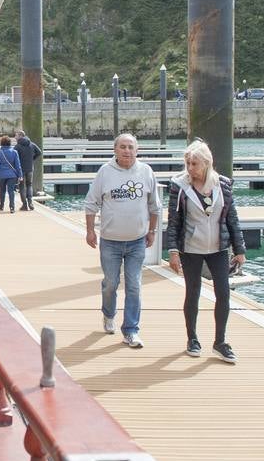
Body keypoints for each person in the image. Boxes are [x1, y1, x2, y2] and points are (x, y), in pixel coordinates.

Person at [166, 139, 246, 364]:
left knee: (223, 293)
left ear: (207, 163)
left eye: (195, 164)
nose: (191, 168)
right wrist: (173, 251)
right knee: (193, 292)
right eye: (188, 163)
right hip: (191, 248)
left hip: (218, 248)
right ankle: (192, 338)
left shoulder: (223, 184)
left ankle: (220, 342)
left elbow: (232, 218)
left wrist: (239, 250)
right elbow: (173, 221)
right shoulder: (179, 186)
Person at [83, 133, 160, 348]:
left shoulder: (146, 172)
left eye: (131, 147)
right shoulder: (105, 172)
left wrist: (152, 230)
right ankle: (108, 314)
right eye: (123, 147)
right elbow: (91, 203)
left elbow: (155, 206)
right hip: (110, 241)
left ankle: (131, 330)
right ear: (115, 150)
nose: (127, 151)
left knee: (134, 285)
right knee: (111, 283)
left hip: (137, 241)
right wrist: (90, 231)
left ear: (137, 150)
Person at [0, 135, 23, 213]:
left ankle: (1, 206)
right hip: (12, 175)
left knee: (2, 191)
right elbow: (18, 165)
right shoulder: (14, 152)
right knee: (11, 191)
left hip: (2, 175)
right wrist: (20, 175)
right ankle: (12, 207)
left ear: (1, 143)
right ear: (9, 143)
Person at [14, 129, 42, 211]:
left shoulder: (17, 146)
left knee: (22, 186)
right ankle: (30, 202)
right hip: (30, 168)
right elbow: (39, 152)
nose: (15, 137)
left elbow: (14, 157)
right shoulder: (31, 144)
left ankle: (24, 205)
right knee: (29, 185)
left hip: (21, 169)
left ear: (20, 136)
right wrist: (32, 159)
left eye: (16, 135)